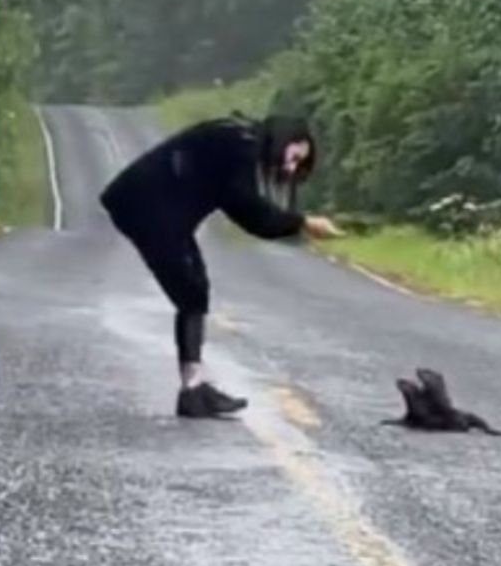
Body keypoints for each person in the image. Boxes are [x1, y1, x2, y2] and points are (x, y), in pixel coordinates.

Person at [100, 112, 344, 418]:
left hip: (152, 208)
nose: (289, 167)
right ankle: (192, 392)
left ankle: (194, 387)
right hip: (146, 206)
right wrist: (303, 223)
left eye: (297, 165)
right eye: (294, 156)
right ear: (283, 138)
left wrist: (295, 224)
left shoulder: (237, 140)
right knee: (190, 291)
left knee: (195, 288)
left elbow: (246, 209)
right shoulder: (240, 144)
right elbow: (251, 213)